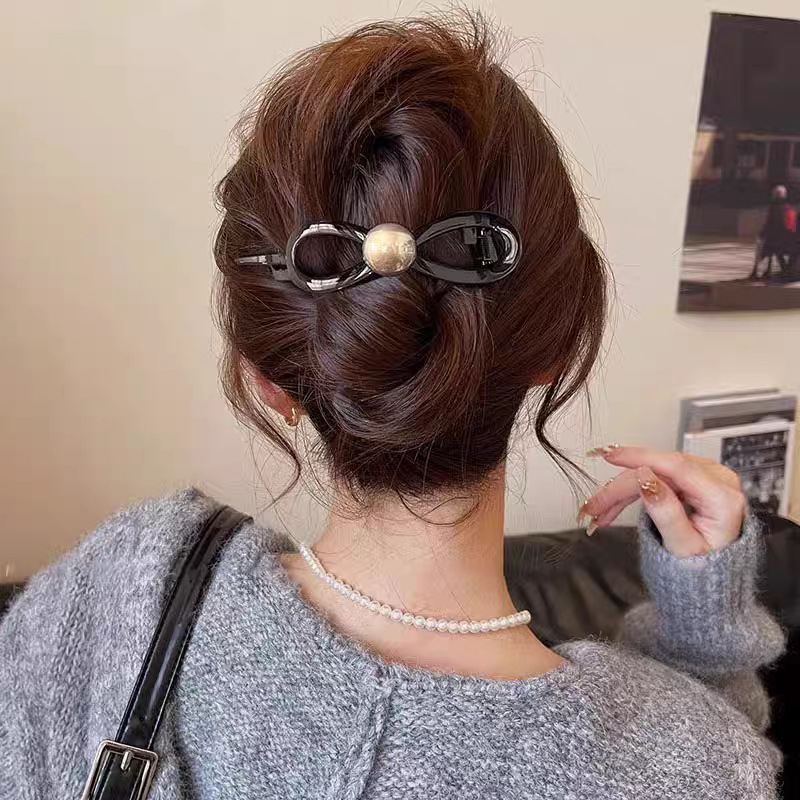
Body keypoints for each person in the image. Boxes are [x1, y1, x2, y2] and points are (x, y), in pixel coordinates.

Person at [0, 13, 786, 799]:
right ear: (561, 344)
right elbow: (700, 765)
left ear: (264, 377)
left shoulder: (128, 593)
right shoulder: (694, 763)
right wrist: (705, 646)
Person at [751, 184, 797, 280]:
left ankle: (759, 270)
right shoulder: (789, 208)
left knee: (765, 245)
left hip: (779, 241)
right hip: (788, 241)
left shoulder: (774, 208)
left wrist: (762, 234)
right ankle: (777, 269)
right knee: (771, 246)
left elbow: (769, 225)